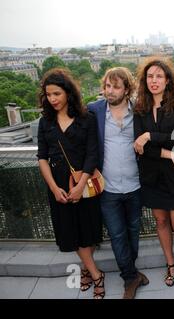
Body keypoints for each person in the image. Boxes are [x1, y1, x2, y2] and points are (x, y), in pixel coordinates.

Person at [37, 68, 105, 299]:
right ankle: (96, 275)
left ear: (68, 92)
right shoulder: (45, 122)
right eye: (48, 94)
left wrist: (80, 185)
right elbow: (42, 158)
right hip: (58, 187)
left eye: (56, 93)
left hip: (84, 184)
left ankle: (87, 270)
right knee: (70, 233)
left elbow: (92, 155)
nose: (52, 99)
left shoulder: (87, 119)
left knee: (88, 231)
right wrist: (55, 189)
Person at [133, 57, 174, 299]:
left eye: (159, 76)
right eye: (150, 76)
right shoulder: (139, 107)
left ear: (167, 79)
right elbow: (140, 148)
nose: (154, 80)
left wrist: (149, 135)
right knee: (161, 223)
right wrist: (169, 153)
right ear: (144, 80)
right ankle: (171, 264)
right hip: (152, 178)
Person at [87, 67, 149, 299]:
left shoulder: (140, 111)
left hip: (135, 186)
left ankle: (131, 273)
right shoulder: (94, 111)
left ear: (126, 89)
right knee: (117, 234)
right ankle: (129, 279)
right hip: (108, 188)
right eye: (107, 86)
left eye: (115, 87)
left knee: (133, 231)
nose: (109, 91)